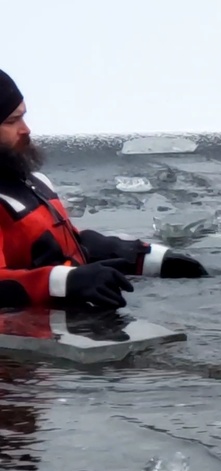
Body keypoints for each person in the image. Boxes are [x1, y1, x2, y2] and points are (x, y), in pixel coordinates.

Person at [0, 68, 207, 311]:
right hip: (26, 337)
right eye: (12, 121)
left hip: (70, 322)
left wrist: (144, 259)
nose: (26, 129)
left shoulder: (36, 183)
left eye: (23, 117)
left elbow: (67, 247)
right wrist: (66, 282)